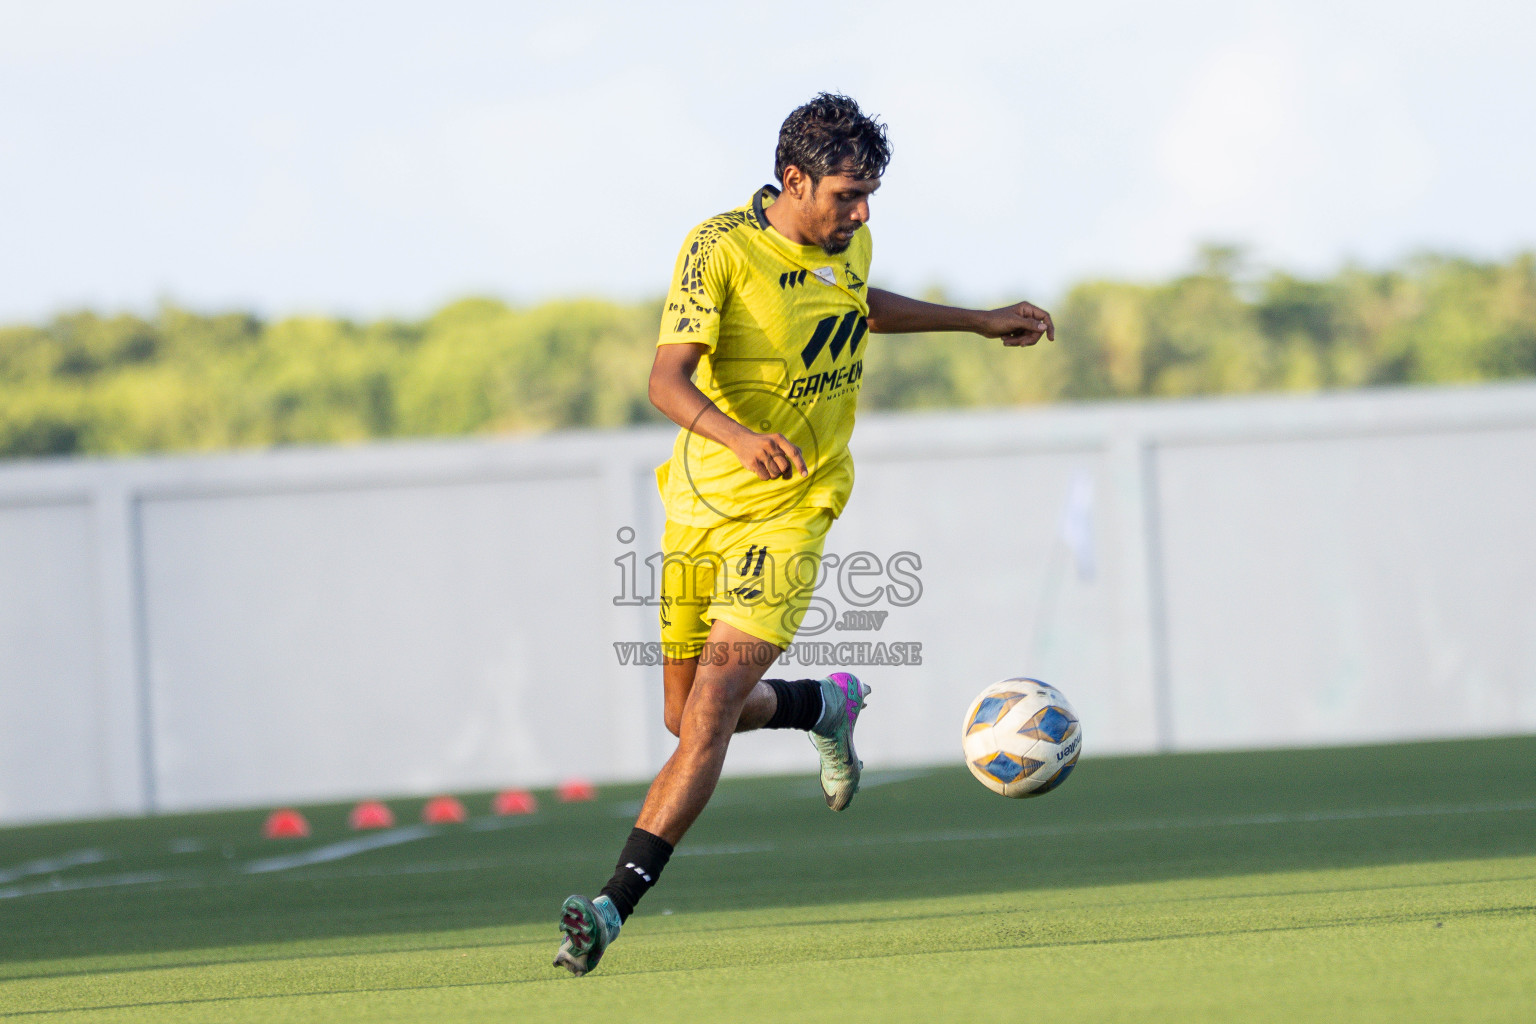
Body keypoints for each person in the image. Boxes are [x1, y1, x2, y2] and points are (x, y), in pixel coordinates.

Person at [554, 93, 1054, 976]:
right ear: (794, 181)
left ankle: (611, 905)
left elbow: (856, 304)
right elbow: (665, 381)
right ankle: (822, 705)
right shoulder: (717, 249)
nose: (862, 215)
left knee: (706, 712)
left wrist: (977, 322)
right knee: (684, 718)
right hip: (701, 506)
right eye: (846, 196)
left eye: (868, 197)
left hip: (795, 508)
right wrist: (740, 439)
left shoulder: (847, 242)